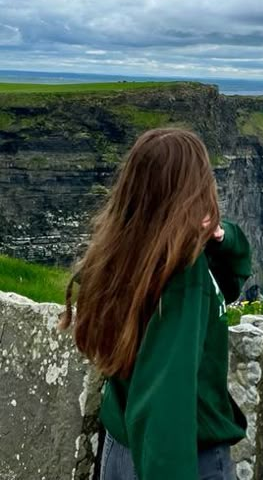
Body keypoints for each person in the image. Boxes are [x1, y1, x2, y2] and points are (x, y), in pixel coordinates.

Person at [59, 127, 251, 480]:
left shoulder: (127, 251)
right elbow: (166, 399)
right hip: (183, 457)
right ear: (191, 192)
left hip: (122, 451)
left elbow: (229, 283)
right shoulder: (181, 273)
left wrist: (221, 238)